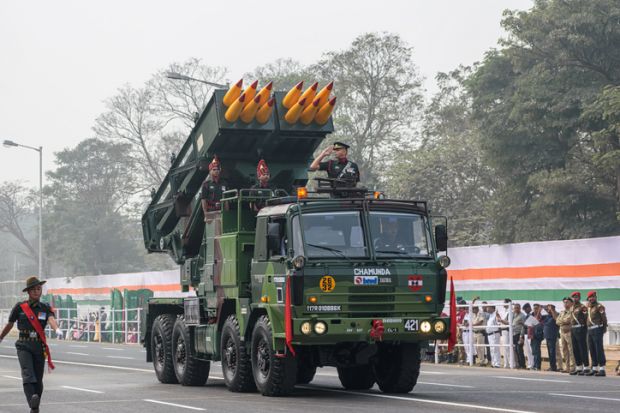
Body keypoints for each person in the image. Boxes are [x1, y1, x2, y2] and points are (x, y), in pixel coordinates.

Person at [0, 277, 63, 413]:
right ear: (28, 292)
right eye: (33, 289)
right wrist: (0, 337)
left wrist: (56, 329)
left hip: (39, 347)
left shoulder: (45, 308)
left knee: (38, 379)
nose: (36, 291)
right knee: (28, 374)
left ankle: (35, 406)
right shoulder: (20, 307)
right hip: (24, 345)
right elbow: (10, 324)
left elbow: (51, 319)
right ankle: (32, 401)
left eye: (38, 289)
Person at [586, 291, 607, 376]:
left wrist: (604, 328)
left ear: (595, 297)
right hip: (590, 330)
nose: (591, 299)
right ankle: (594, 368)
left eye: (593, 297)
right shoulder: (588, 307)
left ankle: (602, 369)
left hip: (597, 330)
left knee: (599, 349)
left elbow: (604, 319)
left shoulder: (599, 307)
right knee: (592, 349)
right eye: (590, 297)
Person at [570, 291, 590, 375]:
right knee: (575, 349)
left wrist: (585, 329)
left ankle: (586, 367)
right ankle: (578, 367)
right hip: (573, 330)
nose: (575, 298)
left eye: (577, 297)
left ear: (579, 298)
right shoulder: (572, 307)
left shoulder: (583, 307)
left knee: (582, 348)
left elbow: (587, 319)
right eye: (574, 297)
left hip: (581, 329)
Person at [201, 155, 226, 220]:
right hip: (211, 212)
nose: (216, 171)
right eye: (214, 169)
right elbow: (203, 200)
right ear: (210, 171)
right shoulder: (206, 184)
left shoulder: (224, 183)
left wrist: (227, 211)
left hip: (222, 211)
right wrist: (205, 213)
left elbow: (226, 199)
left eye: (217, 169)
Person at [556, 297, 576, 373]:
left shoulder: (572, 311)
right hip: (562, 332)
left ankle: (572, 367)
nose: (565, 303)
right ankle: (567, 367)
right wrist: (563, 321)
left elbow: (569, 320)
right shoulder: (562, 312)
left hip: (569, 332)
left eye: (567, 302)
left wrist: (562, 321)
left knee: (571, 350)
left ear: (571, 303)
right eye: (564, 302)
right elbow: (557, 321)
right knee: (564, 350)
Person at [543, 304, 560, 371]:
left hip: (553, 336)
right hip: (547, 336)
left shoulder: (556, 314)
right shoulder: (547, 316)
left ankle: (554, 367)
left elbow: (556, 319)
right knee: (550, 352)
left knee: (552, 352)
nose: (547, 310)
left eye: (549, 308)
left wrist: (552, 310)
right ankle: (552, 366)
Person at [511, 303, 526, 369]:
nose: (516, 309)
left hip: (519, 335)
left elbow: (523, 326)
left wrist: (521, 336)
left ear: (520, 308)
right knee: (515, 350)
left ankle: (522, 365)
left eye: (517, 308)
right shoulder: (513, 315)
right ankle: (518, 364)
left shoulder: (522, 315)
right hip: (513, 334)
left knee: (519, 350)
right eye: (515, 308)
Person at [529, 303, 544, 370]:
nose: (535, 310)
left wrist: (538, 312)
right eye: (534, 308)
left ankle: (537, 366)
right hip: (532, 335)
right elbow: (529, 324)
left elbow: (536, 322)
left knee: (537, 351)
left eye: (536, 308)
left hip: (537, 336)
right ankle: (535, 365)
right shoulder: (531, 316)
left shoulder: (542, 316)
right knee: (534, 351)